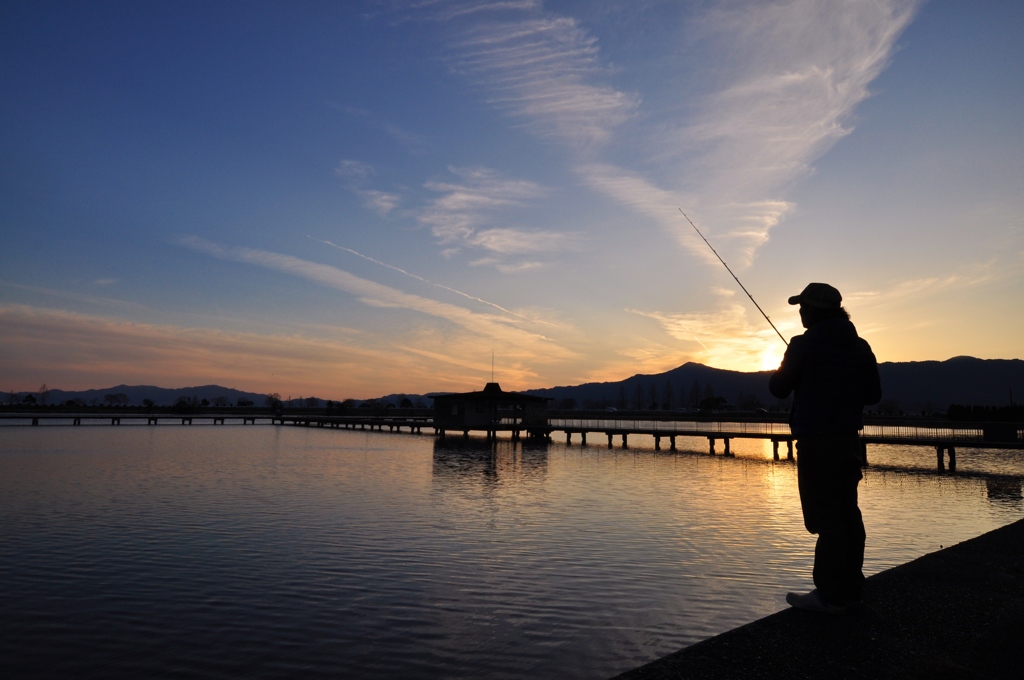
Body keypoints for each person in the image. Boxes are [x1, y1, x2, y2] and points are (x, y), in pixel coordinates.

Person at [769, 282, 882, 614]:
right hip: (848, 439)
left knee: (826, 515)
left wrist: (794, 362)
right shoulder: (861, 346)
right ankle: (851, 589)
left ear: (815, 310)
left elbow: (778, 387)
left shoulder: (804, 344)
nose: (800, 312)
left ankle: (829, 595)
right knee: (848, 511)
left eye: (803, 307)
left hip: (817, 440)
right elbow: (873, 394)